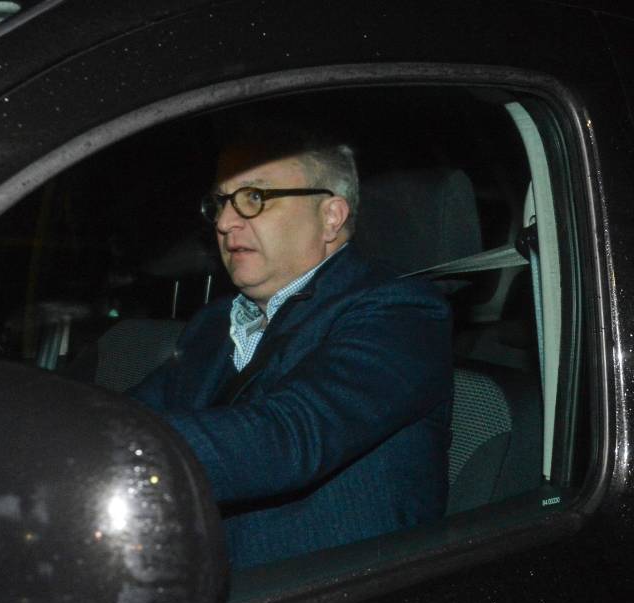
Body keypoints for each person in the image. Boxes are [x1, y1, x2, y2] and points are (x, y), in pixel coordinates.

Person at [130, 128, 453, 569]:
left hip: (329, 589)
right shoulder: (213, 323)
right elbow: (136, 413)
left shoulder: (402, 312)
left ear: (331, 216)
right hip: (200, 575)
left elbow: (291, 437)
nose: (224, 222)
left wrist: (112, 455)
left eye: (254, 197)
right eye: (220, 202)